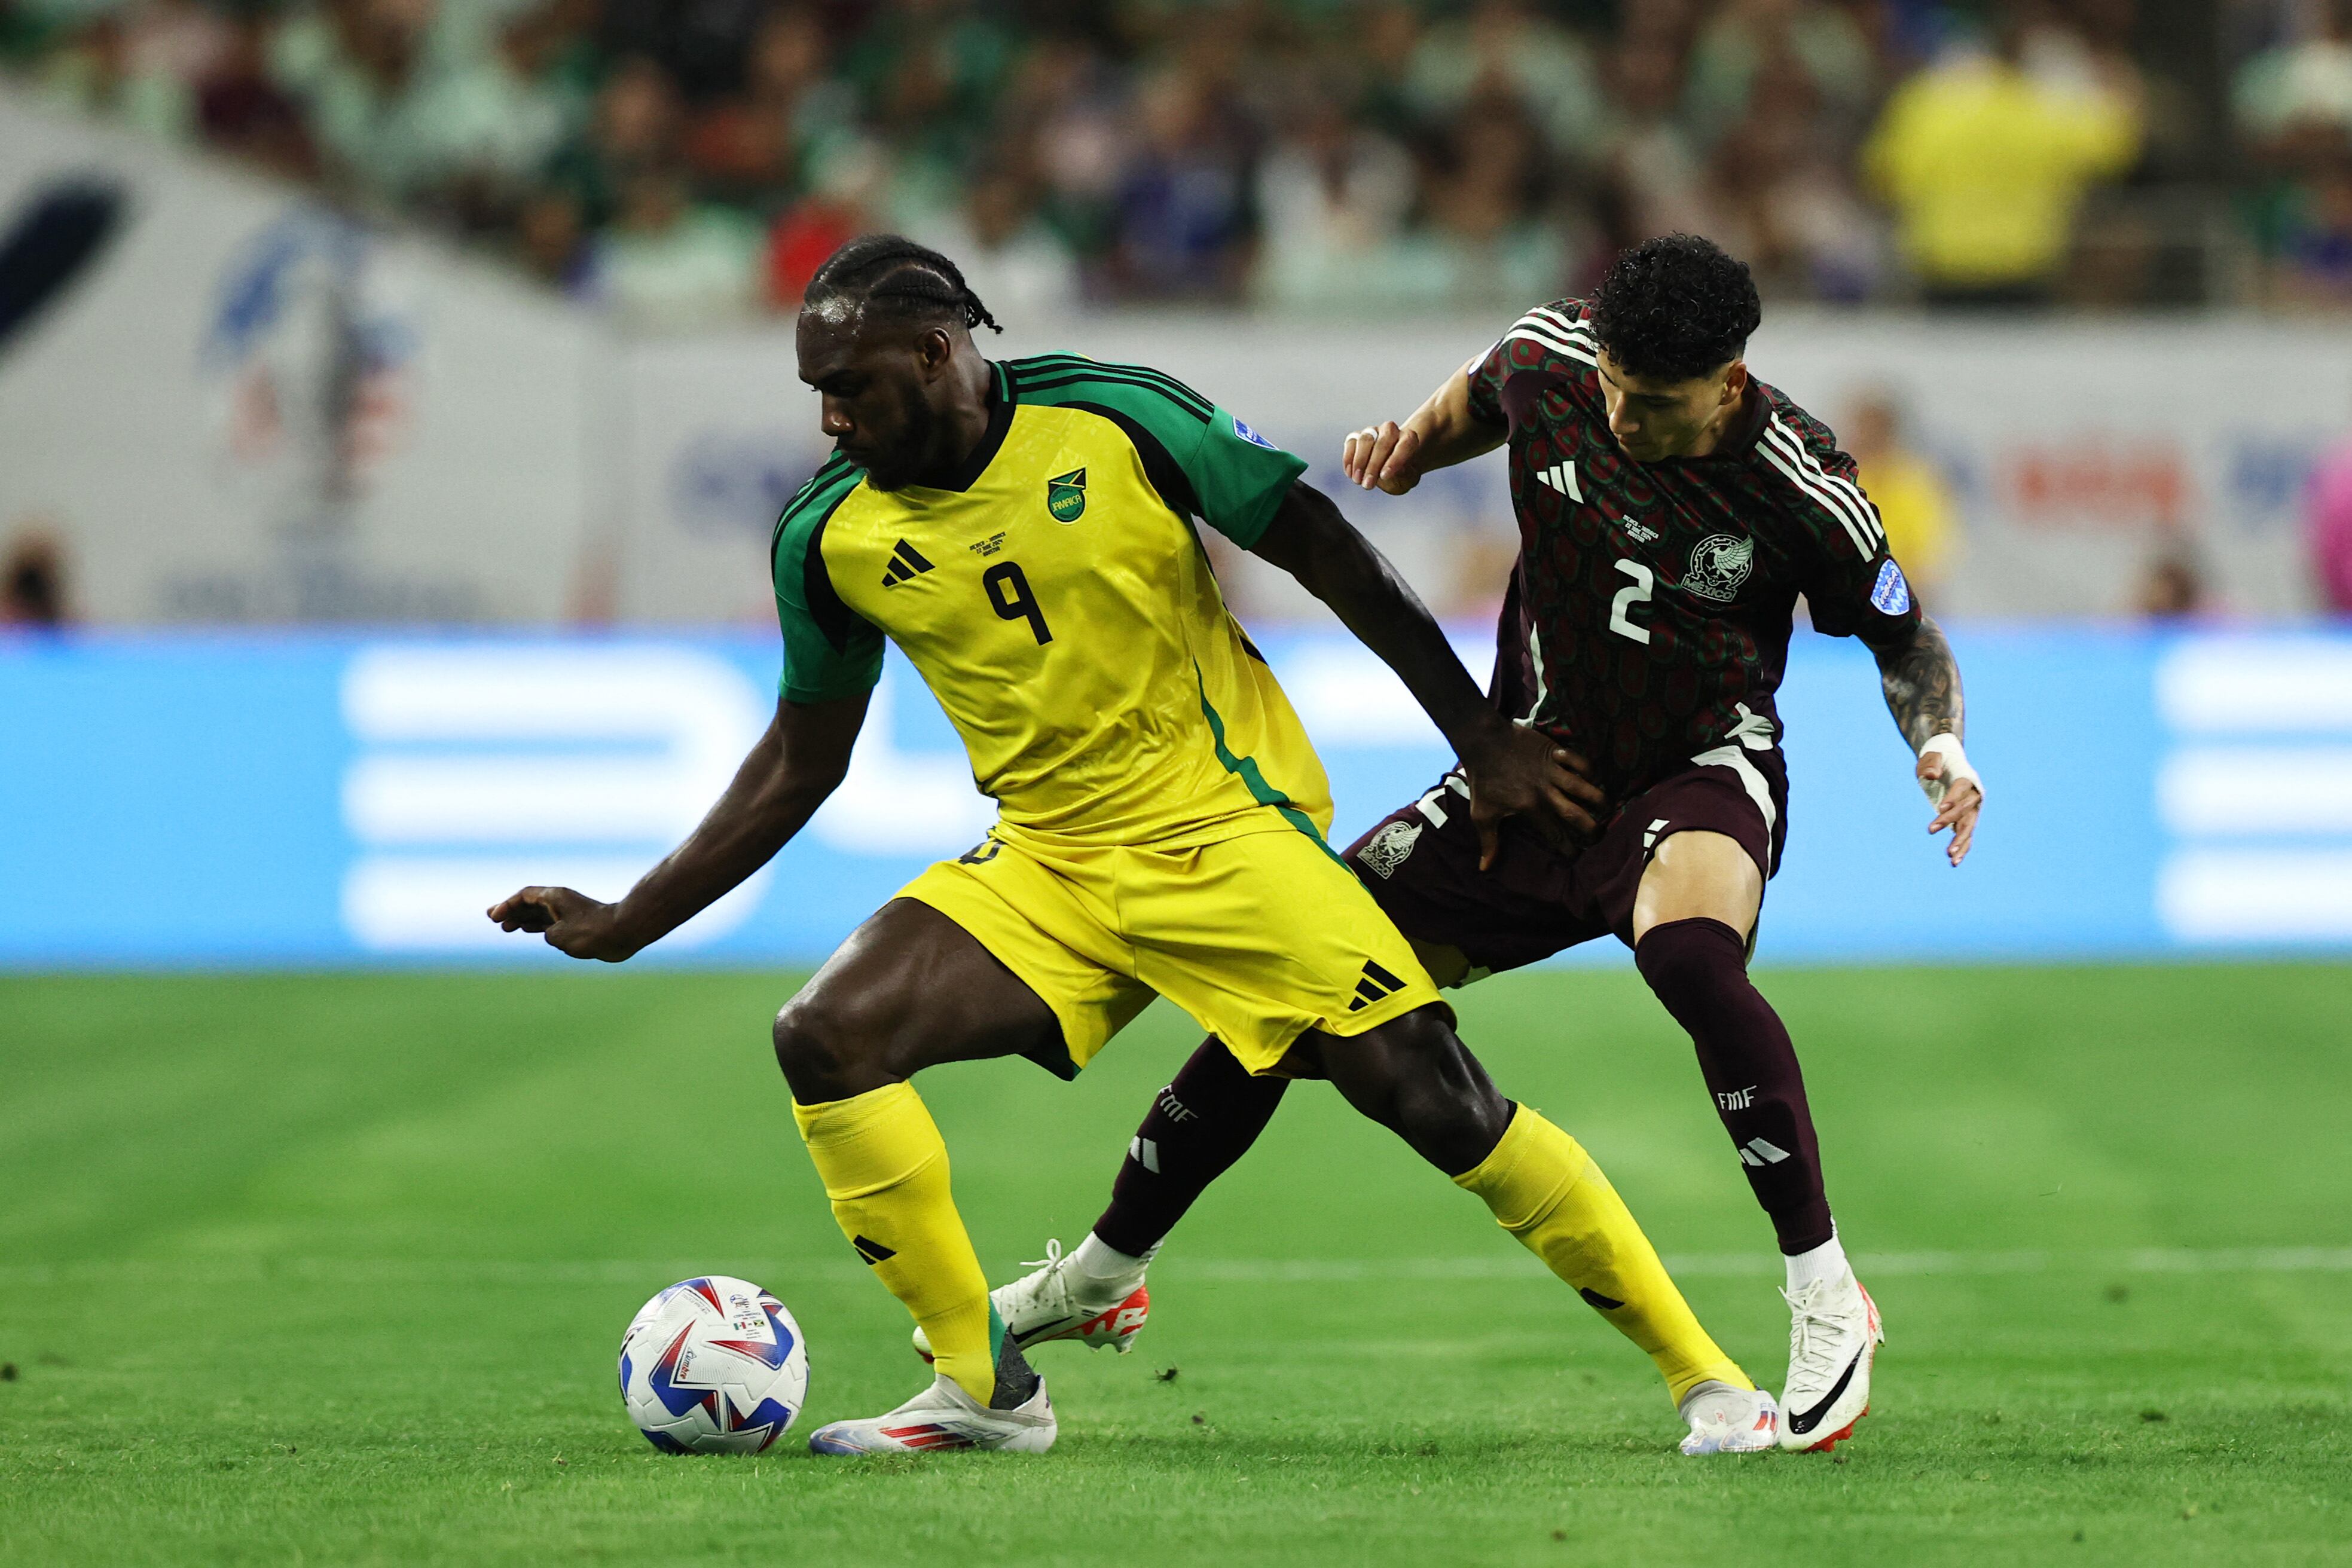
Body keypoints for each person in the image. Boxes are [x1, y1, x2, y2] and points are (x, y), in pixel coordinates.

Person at [489, 235, 1777, 1458]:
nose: (830, 418)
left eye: (849, 386)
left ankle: (1708, 1379)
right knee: (825, 1035)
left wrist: (1482, 738)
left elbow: (1323, 547)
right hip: (1046, 863)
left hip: (1222, 829)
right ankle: (984, 1389)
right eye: (815, 392)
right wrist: (630, 918)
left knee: (1433, 1096)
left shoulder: (1116, 418)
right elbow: (799, 756)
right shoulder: (830, 537)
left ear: (935, 354)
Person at [963, 234, 1985, 1456]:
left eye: (1652, 403)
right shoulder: (1553, 359)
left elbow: (1903, 639)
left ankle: (1822, 1289)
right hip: (1520, 779)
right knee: (1296, 992)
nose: (1620, 415)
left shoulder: (1800, 483)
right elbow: (1476, 398)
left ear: (1727, 382)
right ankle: (1100, 1274)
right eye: (1611, 386)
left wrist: (1939, 743)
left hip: (1696, 769)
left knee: (1690, 959)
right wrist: (1410, 443)